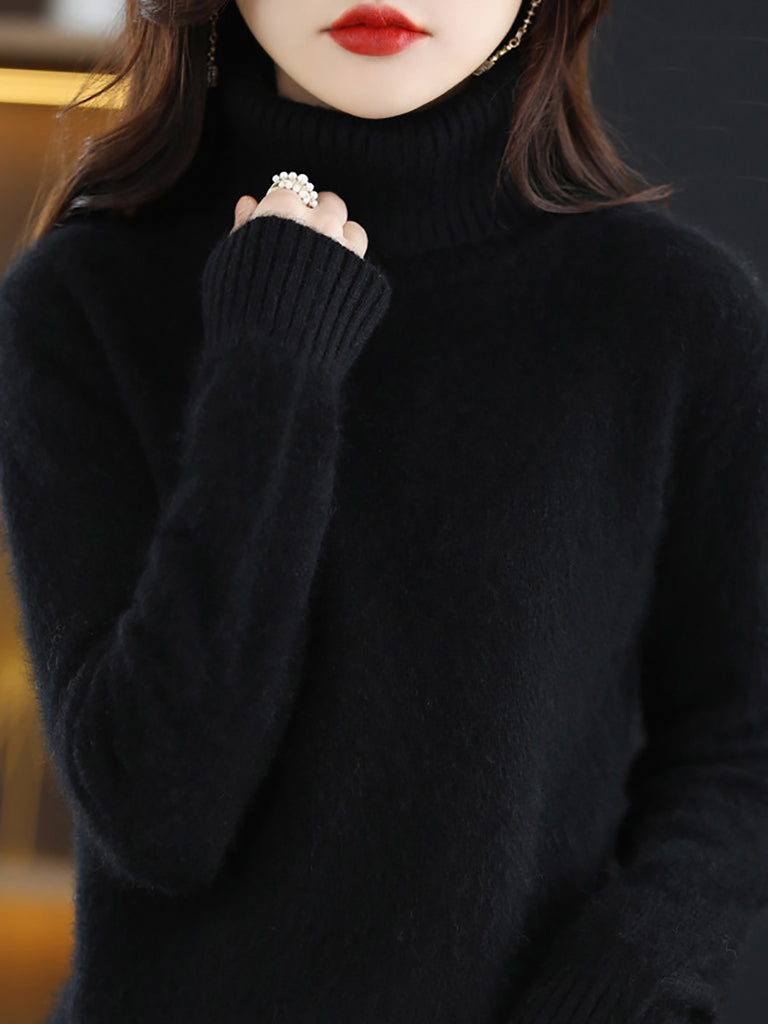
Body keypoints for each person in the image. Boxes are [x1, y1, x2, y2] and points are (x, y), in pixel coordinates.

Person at [1, 1, 767, 1021]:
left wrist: (623, 986)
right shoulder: (79, 300)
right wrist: (272, 362)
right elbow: (161, 816)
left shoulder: (674, 317)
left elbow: (741, 749)